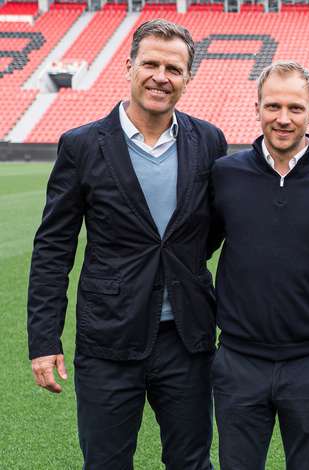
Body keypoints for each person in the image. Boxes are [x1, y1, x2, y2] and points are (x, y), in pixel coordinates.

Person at [27, 19, 226, 469]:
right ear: (129, 66)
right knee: (106, 463)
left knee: (193, 463)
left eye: (173, 69)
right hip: (109, 338)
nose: (161, 77)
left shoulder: (209, 140)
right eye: (150, 64)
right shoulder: (81, 145)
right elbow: (53, 249)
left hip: (187, 338)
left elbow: (214, 226)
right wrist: (43, 339)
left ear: (188, 78)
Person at [207, 61, 309, 470]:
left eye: (295, 108)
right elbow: (201, 245)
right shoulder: (225, 174)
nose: (284, 118)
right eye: (273, 106)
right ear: (257, 108)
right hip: (238, 361)